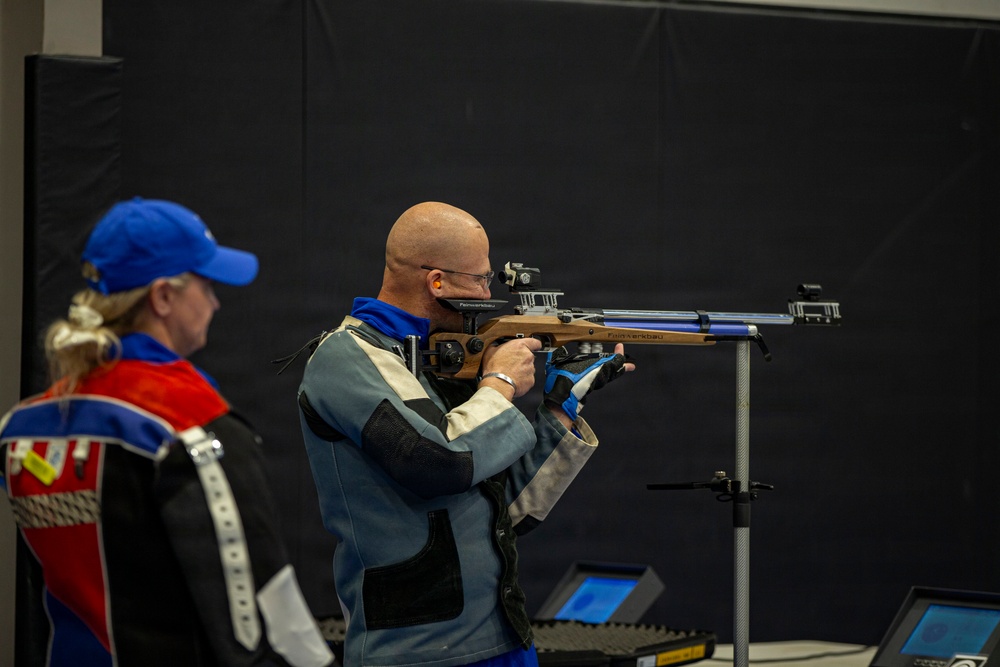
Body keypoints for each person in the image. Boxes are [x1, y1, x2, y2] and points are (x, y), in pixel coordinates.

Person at [296, 201, 634, 667]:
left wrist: (562, 407)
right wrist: (501, 382)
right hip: (416, 652)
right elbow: (439, 462)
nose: (488, 293)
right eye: (481, 279)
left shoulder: (441, 357)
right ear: (437, 281)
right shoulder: (347, 357)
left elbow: (504, 511)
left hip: (504, 638)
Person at [0, 197, 334, 667]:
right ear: (162, 297)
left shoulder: (21, 431)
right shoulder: (190, 427)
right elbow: (270, 620)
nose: (215, 302)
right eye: (206, 284)